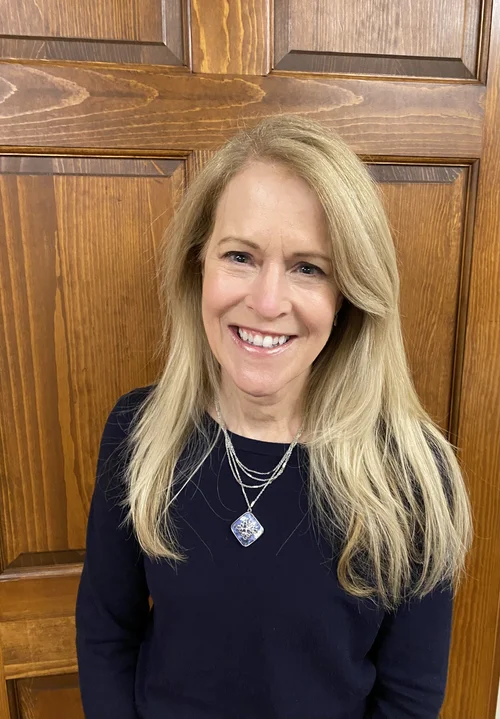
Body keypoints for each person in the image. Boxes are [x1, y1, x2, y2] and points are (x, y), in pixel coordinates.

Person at [75, 115, 473, 719]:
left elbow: (409, 699)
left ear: (348, 295)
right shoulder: (139, 432)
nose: (266, 303)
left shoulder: (414, 472)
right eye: (240, 256)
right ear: (198, 266)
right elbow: (106, 635)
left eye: (308, 267)